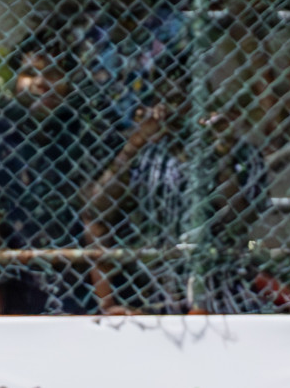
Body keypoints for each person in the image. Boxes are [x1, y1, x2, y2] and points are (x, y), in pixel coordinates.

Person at [86, 72, 270, 313]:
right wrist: (136, 143)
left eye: (192, 102)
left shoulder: (243, 154)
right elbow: (96, 210)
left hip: (226, 281)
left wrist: (222, 154)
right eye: (170, 102)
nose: (180, 111)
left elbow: (237, 222)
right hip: (154, 285)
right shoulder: (148, 156)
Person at [0, 44, 102, 314]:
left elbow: (95, 215)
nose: (41, 81)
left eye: (52, 72)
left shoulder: (84, 135)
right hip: (18, 280)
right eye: (30, 72)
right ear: (15, 81)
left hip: (82, 280)